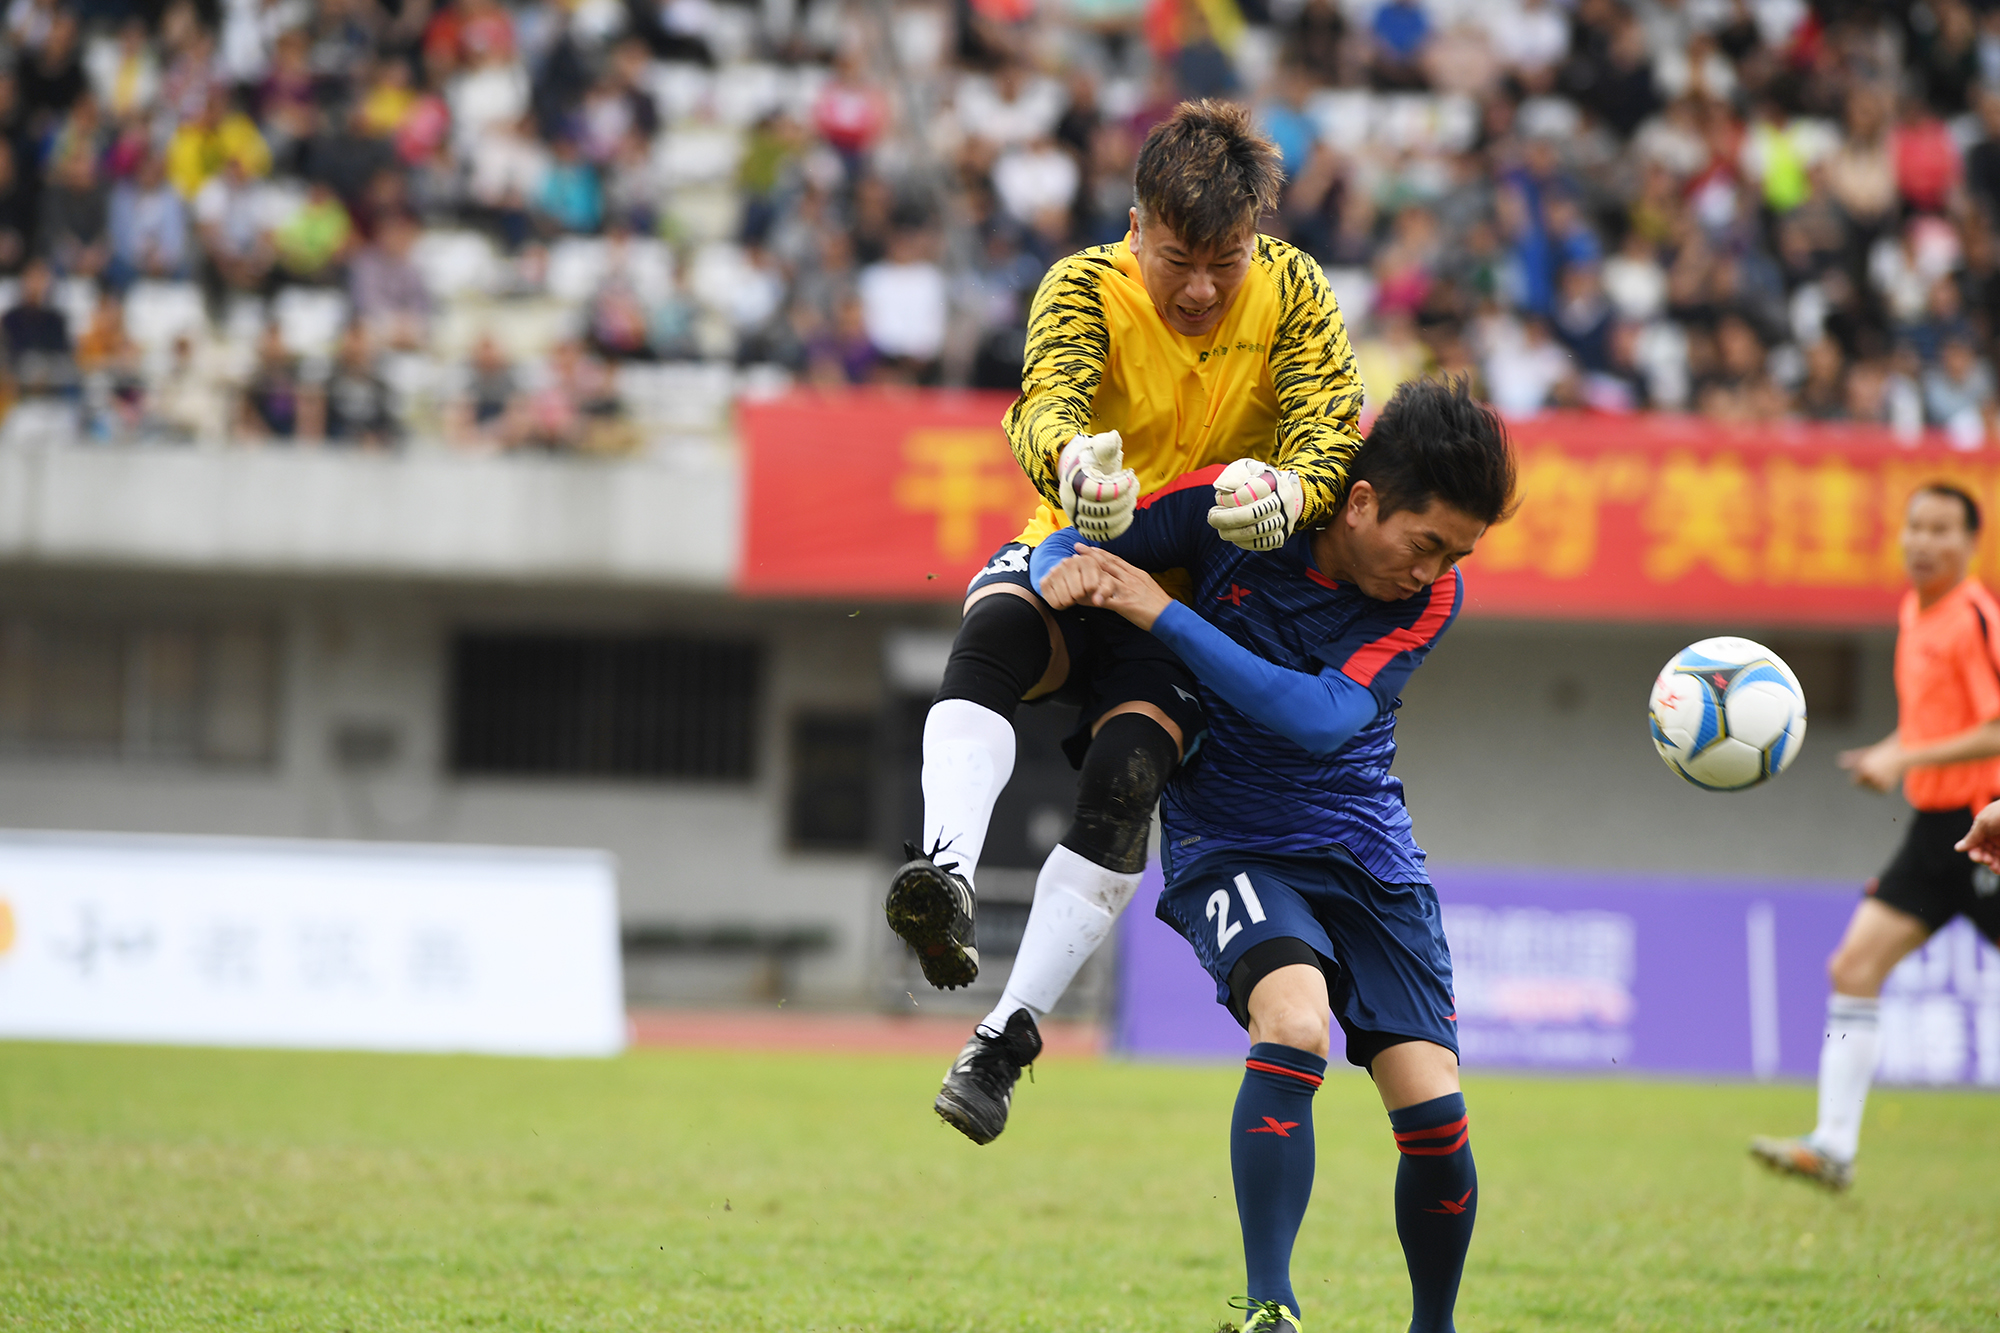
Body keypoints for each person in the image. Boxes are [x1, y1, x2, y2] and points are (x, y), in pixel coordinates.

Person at [885, 99, 1365, 1145]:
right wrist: (1071, 465)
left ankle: (1001, 1043)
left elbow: (1331, 426)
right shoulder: (1082, 284)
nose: (1199, 287)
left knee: (1127, 776)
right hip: (1078, 549)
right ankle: (946, 877)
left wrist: (1293, 491)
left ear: (1254, 241)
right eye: (1177, 259)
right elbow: (1042, 403)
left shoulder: (1293, 290)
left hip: (1192, 605)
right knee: (993, 636)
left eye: (1223, 262)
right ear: (1135, 224)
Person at [1032, 377, 1515, 1333]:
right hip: (1234, 845)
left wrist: (1158, 615)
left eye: (1457, 553)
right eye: (1427, 544)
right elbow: (1075, 542)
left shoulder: (1431, 600)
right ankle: (1271, 1308)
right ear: (1364, 499)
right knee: (1293, 1023)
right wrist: (1061, 565)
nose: (1436, 571)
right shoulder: (1238, 507)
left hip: (1371, 858)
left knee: (1433, 1112)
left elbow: (1317, 717)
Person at [1751, 484, 2000, 1191]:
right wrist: (1887, 751)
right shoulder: (1914, 613)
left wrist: (1904, 758)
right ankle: (1833, 1144)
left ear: (1971, 542)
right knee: (1853, 967)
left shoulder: (1975, 615)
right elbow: (1930, 727)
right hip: (1933, 832)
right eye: (1914, 527)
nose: (1923, 542)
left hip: (1987, 825)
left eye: (1942, 529)